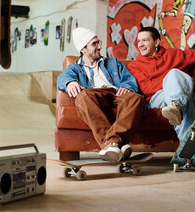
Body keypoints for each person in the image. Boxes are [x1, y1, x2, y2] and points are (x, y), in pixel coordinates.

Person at [57, 27, 145, 161]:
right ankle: (117, 144)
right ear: (83, 49)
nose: (99, 46)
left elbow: (129, 80)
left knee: (136, 98)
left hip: (116, 94)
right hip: (94, 95)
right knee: (83, 96)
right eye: (94, 44)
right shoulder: (74, 68)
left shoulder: (113, 63)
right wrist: (69, 82)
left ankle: (111, 145)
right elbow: (61, 78)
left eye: (99, 42)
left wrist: (127, 87)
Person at [127, 26, 195, 141]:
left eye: (145, 40)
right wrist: (170, 82)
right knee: (177, 83)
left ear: (156, 42)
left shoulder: (174, 54)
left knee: (175, 74)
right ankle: (177, 106)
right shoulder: (135, 66)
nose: (140, 44)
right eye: (138, 41)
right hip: (157, 99)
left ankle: (186, 138)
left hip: (178, 97)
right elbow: (146, 88)